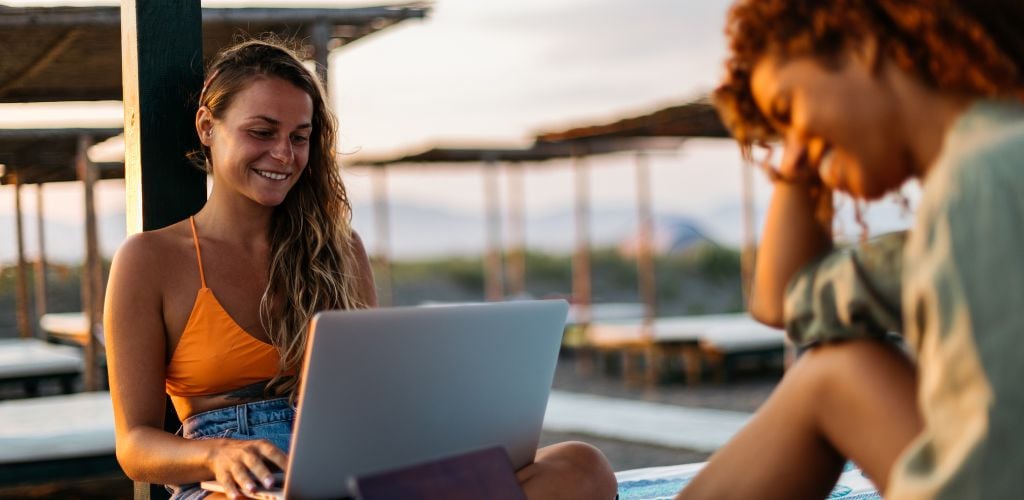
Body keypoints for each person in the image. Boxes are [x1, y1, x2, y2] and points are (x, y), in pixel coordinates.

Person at [104, 39, 617, 500]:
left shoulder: (339, 250)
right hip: (232, 486)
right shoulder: (150, 261)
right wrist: (217, 455)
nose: (283, 155)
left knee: (581, 467)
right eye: (262, 132)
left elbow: (373, 397)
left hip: (353, 472)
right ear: (207, 127)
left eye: (300, 137)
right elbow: (135, 445)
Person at [671, 1, 1024, 498]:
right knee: (836, 371)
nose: (791, 154)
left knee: (831, 375)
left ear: (859, 43)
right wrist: (804, 158)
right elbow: (790, 302)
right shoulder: (976, 184)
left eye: (787, 109)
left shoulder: (983, 183)